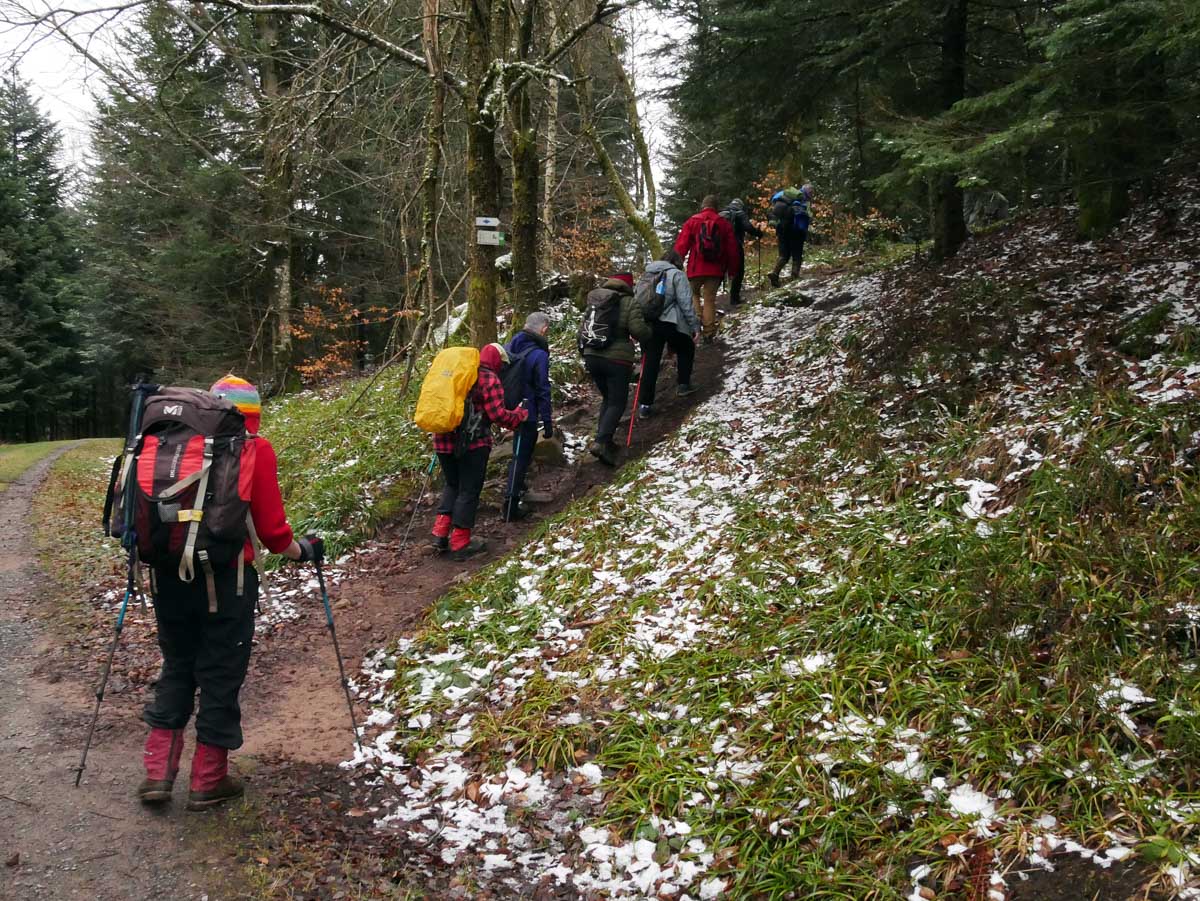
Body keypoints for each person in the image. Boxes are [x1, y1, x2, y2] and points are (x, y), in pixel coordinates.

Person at [140, 375, 322, 811]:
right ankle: (208, 780)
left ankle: (157, 774)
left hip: (167, 574)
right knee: (220, 673)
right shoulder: (253, 448)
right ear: (252, 415)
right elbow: (274, 533)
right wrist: (304, 551)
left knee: (177, 665)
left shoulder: (166, 445)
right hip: (226, 580)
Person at [430, 343, 528, 558]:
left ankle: (440, 534)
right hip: (473, 444)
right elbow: (498, 415)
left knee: (452, 484)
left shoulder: (456, 373)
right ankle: (460, 543)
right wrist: (519, 416)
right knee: (469, 490)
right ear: (496, 361)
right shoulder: (488, 378)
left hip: (442, 439)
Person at [581, 272, 651, 466]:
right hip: (617, 359)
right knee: (617, 402)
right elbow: (638, 330)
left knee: (608, 398)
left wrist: (585, 353)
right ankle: (601, 442)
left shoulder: (595, 300)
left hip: (592, 355)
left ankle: (605, 439)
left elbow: (583, 329)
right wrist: (649, 333)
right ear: (628, 286)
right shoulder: (629, 302)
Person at [636, 249, 700, 420]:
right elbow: (686, 303)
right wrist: (694, 326)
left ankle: (645, 405)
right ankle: (684, 385)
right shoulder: (677, 274)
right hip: (671, 322)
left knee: (650, 361)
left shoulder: (646, 274)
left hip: (649, 323)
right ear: (677, 262)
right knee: (686, 346)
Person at [503, 312, 554, 521]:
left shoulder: (508, 346)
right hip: (527, 412)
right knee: (521, 455)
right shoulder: (538, 355)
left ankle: (518, 488)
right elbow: (543, 389)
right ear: (543, 329)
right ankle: (510, 506)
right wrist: (547, 420)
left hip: (507, 408)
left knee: (519, 452)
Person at [674, 195, 738, 343]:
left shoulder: (692, 221)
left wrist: (675, 265)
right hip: (715, 270)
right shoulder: (723, 223)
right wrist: (732, 270)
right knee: (709, 299)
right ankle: (708, 333)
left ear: (703, 206)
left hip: (695, 269)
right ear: (716, 207)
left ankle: (695, 325)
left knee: (693, 295)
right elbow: (732, 250)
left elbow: (681, 245)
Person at [720, 198, 765, 306]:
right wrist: (758, 233)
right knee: (739, 270)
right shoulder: (740, 214)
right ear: (741, 206)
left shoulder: (721, 214)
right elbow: (748, 227)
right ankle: (734, 298)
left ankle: (713, 297)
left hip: (720, 246)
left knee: (721, 270)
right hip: (735, 245)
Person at [768, 184, 814, 287]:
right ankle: (794, 278)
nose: (811, 195)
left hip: (781, 229)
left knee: (784, 255)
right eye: (811, 192)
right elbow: (807, 216)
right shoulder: (803, 200)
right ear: (807, 192)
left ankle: (775, 273)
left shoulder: (785, 196)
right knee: (797, 255)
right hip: (795, 231)